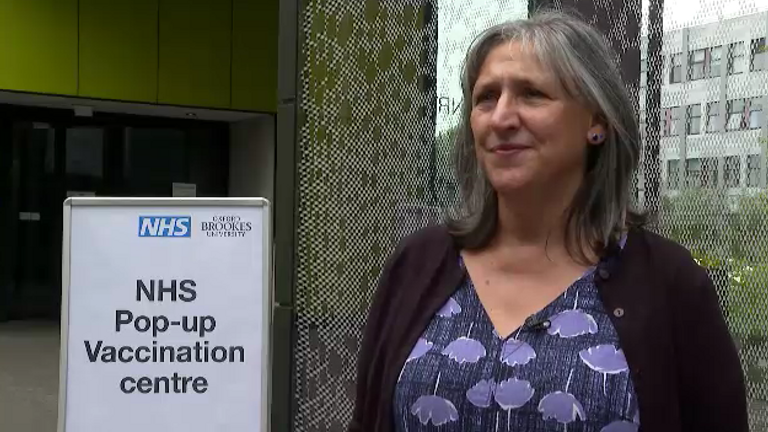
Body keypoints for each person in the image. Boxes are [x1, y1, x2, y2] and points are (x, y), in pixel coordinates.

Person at [349, 9, 747, 432]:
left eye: (532, 94)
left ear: (596, 122)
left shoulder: (668, 284)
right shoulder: (418, 264)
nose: (502, 118)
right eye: (486, 98)